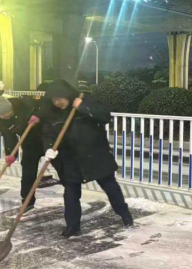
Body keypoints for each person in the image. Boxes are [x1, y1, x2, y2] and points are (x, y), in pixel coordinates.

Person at [39, 80, 134, 238]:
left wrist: (82, 107)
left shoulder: (85, 100)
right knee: (71, 193)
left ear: (67, 95)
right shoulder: (52, 114)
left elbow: (104, 117)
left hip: (95, 154)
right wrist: (48, 148)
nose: (56, 103)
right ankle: (72, 226)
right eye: (53, 100)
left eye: (59, 99)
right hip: (71, 158)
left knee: (110, 187)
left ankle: (125, 215)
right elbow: (47, 133)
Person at [0, 95, 44, 212]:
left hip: (47, 138)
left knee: (62, 168)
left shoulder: (26, 103)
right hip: (29, 143)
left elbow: (45, 107)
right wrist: (11, 153)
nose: (5, 116)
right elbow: (9, 137)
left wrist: (39, 116)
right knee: (28, 172)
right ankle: (27, 201)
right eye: (1, 115)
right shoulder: (1, 121)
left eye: (7, 112)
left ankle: (71, 192)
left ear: (11, 107)